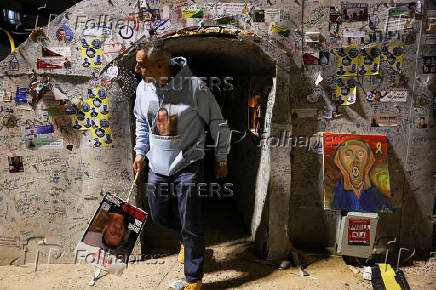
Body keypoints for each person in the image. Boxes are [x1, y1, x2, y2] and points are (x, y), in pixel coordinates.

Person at [133, 42, 230, 290]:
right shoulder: (143, 88)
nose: (136, 68)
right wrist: (139, 151)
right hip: (157, 165)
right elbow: (142, 123)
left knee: (191, 221)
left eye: (141, 64)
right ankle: (186, 241)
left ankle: (193, 279)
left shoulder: (195, 87)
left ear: (159, 65)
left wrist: (221, 158)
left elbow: (218, 124)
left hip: (188, 164)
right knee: (158, 214)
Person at [330, 139, 392, 212]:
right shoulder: (338, 197)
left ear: (369, 160)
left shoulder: (379, 199)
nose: (355, 160)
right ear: (339, 161)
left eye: (360, 154)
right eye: (348, 155)